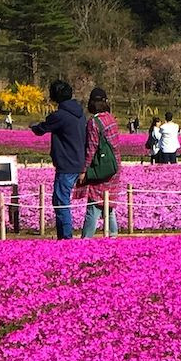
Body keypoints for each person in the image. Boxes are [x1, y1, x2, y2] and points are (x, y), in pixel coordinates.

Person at [29, 80, 88, 241]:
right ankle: (64, 236)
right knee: (62, 200)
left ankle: (66, 238)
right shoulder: (81, 114)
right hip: (79, 162)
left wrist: (33, 126)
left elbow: (41, 129)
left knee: (61, 201)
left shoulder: (60, 116)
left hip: (66, 164)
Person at [77, 87, 122, 238]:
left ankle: (86, 239)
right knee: (108, 205)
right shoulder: (111, 119)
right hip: (114, 167)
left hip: (100, 168)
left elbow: (91, 149)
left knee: (94, 205)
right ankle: (113, 236)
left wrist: (84, 170)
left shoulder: (94, 122)